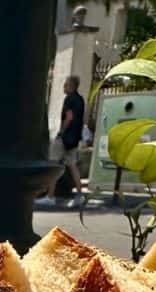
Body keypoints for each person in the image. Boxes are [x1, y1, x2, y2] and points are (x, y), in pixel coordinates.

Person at [51, 74, 86, 204]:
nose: (63, 86)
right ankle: (80, 195)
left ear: (71, 86)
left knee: (53, 164)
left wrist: (61, 132)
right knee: (72, 165)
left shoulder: (69, 99)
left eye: (65, 84)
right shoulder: (80, 99)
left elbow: (69, 117)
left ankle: (50, 196)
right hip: (75, 138)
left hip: (65, 137)